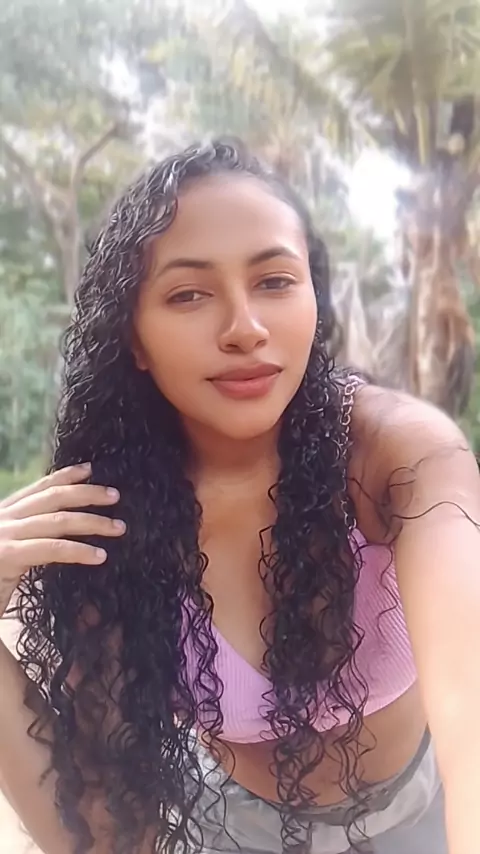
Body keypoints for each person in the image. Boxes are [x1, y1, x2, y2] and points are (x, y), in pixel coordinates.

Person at [0, 138, 478, 854]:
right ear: (135, 339)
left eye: (275, 281)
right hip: (232, 832)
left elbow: (470, 702)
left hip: (428, 810)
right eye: (188, 294)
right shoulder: (105, 525)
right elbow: (102, 836)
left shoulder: (396, 454)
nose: (245, 329)